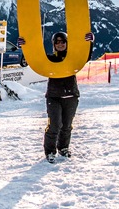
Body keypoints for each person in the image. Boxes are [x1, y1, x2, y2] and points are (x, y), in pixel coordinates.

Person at [43, 31, 95, 163]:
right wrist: (24, 47)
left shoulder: (73, 58)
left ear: (67, 43)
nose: (60, 44)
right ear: (54, 44)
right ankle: (50, 151)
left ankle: (63, 148)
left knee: (67, 125)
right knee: (54, 125)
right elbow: (36, 61)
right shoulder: (50, 59)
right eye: (57, 42)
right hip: (54, 96)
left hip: (71, 95)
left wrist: (90, 44)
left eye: (63, 41)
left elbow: (85, 58)